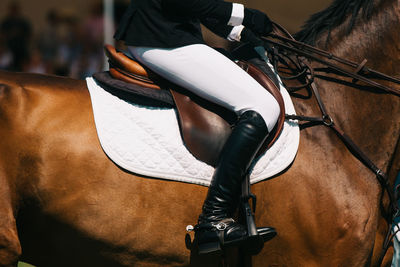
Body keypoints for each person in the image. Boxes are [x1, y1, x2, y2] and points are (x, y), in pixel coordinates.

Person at [114, 0, 280, 254]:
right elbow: (191, 4)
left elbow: (194, 8)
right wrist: (244, 14)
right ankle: (213, 218)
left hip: (165, 30)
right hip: (163, 37)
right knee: (263, 107)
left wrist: (238, 31)